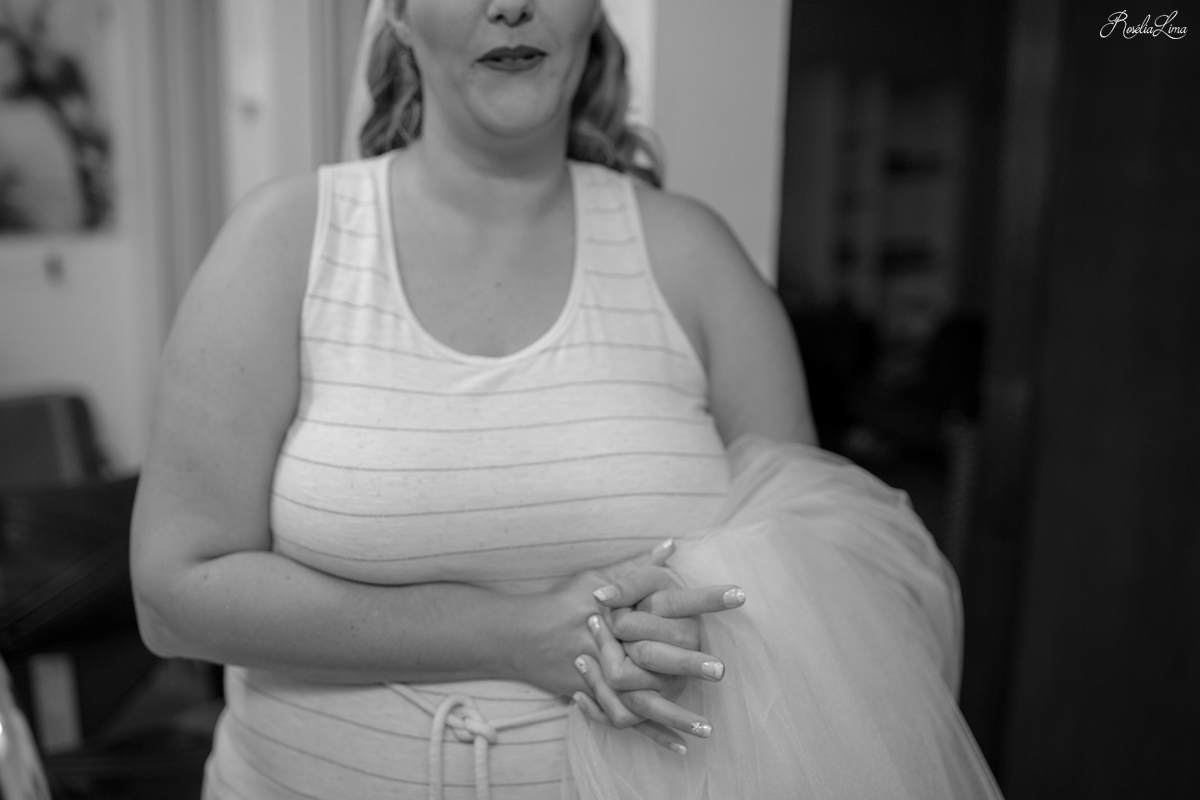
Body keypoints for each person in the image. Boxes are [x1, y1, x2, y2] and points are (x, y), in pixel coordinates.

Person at [131, 1, 1002, 798]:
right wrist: (510, 632)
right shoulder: (284, 243)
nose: (511, 5)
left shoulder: (696, 260)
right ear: (396, 16)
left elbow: (819, 573)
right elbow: (173, 595)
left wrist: (705, 621)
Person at [0, 27, 84, 232]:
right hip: (66, 236)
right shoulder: (40, 110)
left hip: (37, 238)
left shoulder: (20, 115)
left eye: (7, 61)